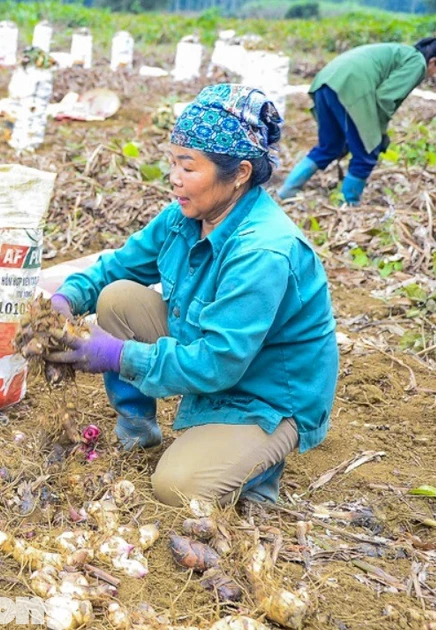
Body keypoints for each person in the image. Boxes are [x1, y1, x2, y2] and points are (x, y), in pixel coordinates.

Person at [46, 84, 339, 507]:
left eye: (189, 167)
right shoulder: (187, 214)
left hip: (267, 392)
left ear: (239, 173)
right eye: (172, 163)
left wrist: (117, 356)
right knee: (118, 297)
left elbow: (219, 363)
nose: (174, 179)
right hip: (213, 353)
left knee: (177, 486)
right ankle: (138, 427)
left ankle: (260, 467)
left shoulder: (263, 252)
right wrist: (67, 299)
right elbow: (118, 266)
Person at [277, 37, 436, 205]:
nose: (433, 73)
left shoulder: (399, 52)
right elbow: (386, 98)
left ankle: (287, 191)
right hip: (351, 87)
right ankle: (348, 205)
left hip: (326, 81)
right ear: (432, 61)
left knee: (330, 147)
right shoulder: (418, 62)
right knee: (366, 154)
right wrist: (377, 134)